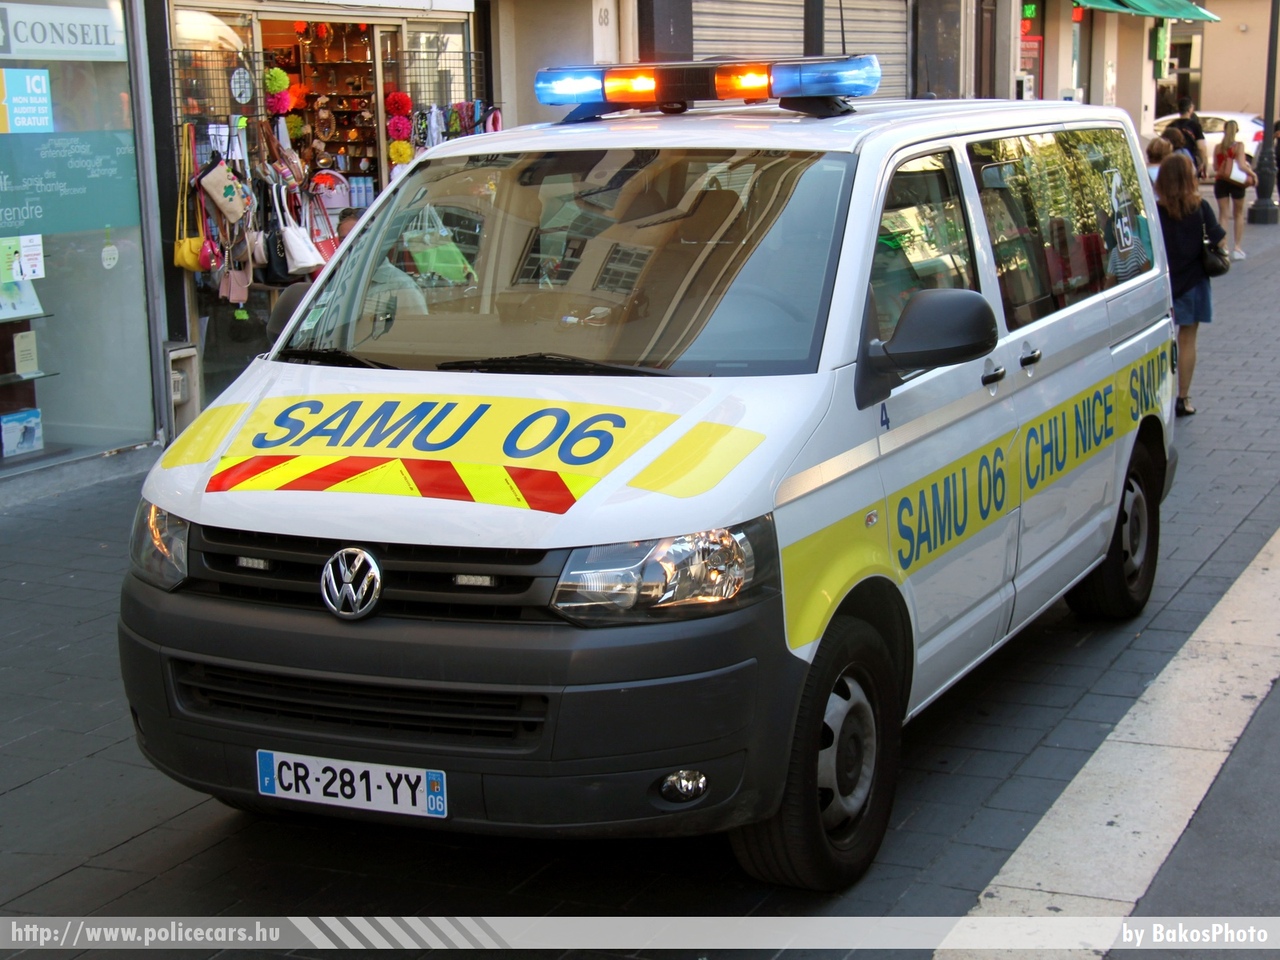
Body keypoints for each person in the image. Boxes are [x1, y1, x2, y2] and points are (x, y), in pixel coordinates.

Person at [1156, 153, 1225, 418]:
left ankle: (1157, 396)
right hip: (1194, 281)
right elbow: (1219, 240)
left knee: (1162, 341)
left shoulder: (1156, 210)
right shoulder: (1200, 207)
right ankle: (1183, 398)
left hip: (1163, 284)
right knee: (1187, 339)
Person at [1212, 119, 1255, 260]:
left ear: (1224, 130)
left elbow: (1215, 167)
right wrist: (1253, 174)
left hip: (1221, 182)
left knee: (1223, 215)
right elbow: (1242, 165)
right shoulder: (1239, 146)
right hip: (1236, 182)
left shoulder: (1218, 147)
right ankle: (1237, 248)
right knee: (1238, 214)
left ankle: (1224, 246)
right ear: (1236, 131)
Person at [1168, 97, 1207, 179]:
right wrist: (1203, 164)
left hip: (1172, 163)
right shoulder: (1195, 126)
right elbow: (1201, 147)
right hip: (1189, 162)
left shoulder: (1171, 126)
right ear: (1190, 109)